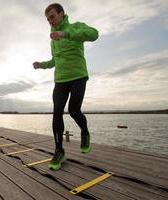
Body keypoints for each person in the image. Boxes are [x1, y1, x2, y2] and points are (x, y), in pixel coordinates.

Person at [33, 3, 99, 170]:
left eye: (52, 17)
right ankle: (59, 150)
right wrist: (42, 65)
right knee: (56, 113)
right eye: (47, 19)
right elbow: (55, 60)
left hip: (78, 76)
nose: (50, 21)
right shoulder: (53, 39)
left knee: (74, 110)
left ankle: (84, 132)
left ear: (62, 14)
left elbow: (94, 34)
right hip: (60, 80)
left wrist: (66, 34)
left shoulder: (75, 27)